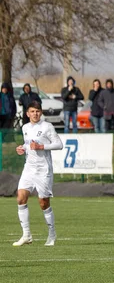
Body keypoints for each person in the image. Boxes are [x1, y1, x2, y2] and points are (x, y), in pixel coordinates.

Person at [12, 101, 63, 246]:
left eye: (37, 111)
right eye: (32, 111)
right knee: (21, 198)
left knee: (43, 203)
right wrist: (22, 148)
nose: (35, 114)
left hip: (43, 170)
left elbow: (59, 144)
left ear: (41, 113)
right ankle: (26, 235)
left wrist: (42, 146)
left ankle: (52, 235)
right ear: (27, 113)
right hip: (29, 168)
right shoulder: (25, 127)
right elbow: (29, 145)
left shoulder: (47, 126)